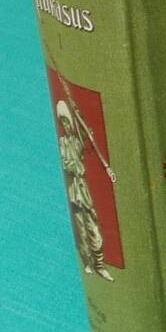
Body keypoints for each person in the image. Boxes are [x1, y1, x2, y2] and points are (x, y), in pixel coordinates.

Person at [57, 100, 113, 282]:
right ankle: (87, 263)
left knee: (93, 229)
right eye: (63, 123)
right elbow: (66, 164)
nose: (65, 126)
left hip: (83, 190)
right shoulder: (62, 143)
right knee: (80, 230)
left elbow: (85, 136)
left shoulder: (76, 141)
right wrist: (73, 167)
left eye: (67, 122)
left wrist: (77, 112)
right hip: (73, 190)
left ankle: (99, 264)